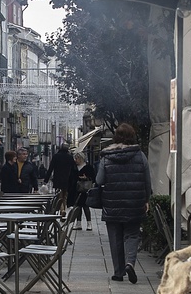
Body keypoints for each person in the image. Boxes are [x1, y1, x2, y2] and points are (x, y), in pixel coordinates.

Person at [93, 122, 152, 284]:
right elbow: (147, 181)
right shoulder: (140, 156)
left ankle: (118, 272)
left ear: (116, 137)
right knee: (132, 235)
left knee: (115, 238)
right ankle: (129, 263)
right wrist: (147, 199)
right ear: (132, 136)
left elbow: (99, 180)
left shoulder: (107, 157)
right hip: (135, 203)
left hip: (111, 205)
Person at [49, 135, 79, 208]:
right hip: (67, 179)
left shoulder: (56, 156)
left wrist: (46, 180)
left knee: (59, 195)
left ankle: (61, 208)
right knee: (65, 195)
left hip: (57, 179)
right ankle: (64, 207)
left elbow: (50, 168)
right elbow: (74, 168)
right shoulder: (69, 157)